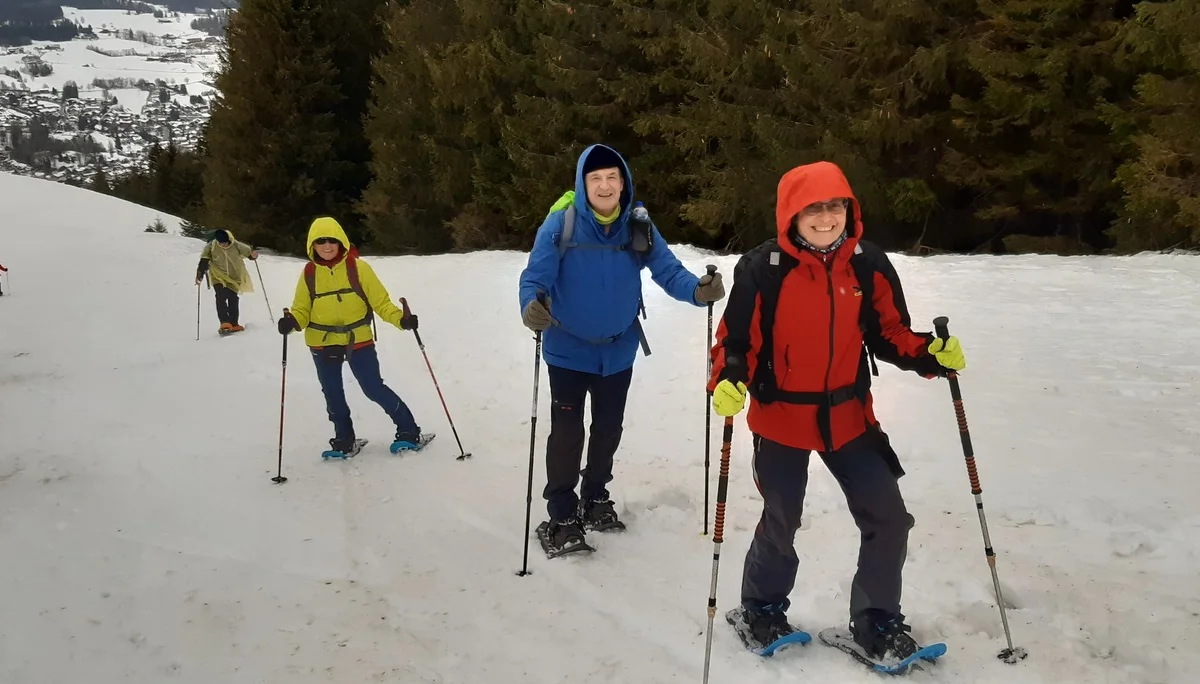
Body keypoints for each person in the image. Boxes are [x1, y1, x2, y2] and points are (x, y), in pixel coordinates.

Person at [706, 161, 966, 662]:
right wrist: (727, 380)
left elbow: (890, 333)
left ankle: (876, 621)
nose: (826, 218)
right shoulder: (763, 269)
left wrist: (931, 354)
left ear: (850, 210)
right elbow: (736, 343)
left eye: (835, 206)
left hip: (848, 416)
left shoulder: (867, 264)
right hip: (781, 416)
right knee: (783, 517)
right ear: (791, 214)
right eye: (813, 209)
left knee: (889, 518)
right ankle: (760, 608)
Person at [518, 143, 727, 556]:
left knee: (608, 429)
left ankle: (594, 496)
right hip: (567, 350)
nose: (605, 185)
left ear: (623, 181)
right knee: (567, 434)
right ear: (583, 183)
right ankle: (561, 514)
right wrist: (530, 306)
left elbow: (667, 269)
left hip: (617, 350)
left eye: (612, 177)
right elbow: (535, 277)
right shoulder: (560, 224)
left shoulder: (638, 225)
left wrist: (697, 292)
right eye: (596, 178)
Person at [277, 216, 430, 457]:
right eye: (320, 242)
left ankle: (409, 430)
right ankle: (344, 439)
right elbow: (302, 310)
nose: (326, 246)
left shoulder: (359, 268)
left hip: (358, 339)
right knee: (332, 393)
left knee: (373, 388)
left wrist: (401, 320)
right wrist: (292, 322)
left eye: (331, 241)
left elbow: (381, 303)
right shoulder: (309, 273)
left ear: (341, 242)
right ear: (312, 245)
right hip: (322, 342)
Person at [195, 229, 258, 334]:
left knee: (233, 298)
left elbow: (248, 252)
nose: (223, 245)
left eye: (225, 243)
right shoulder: (211, 246)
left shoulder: (236, 245)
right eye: (221, 243)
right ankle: (224, 322)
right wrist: (200, 274)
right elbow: (204, 260)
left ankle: (234, 323)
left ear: (229, 240)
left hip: (234, 277)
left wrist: (253, 256)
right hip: (218, 275)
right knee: (221, 296)